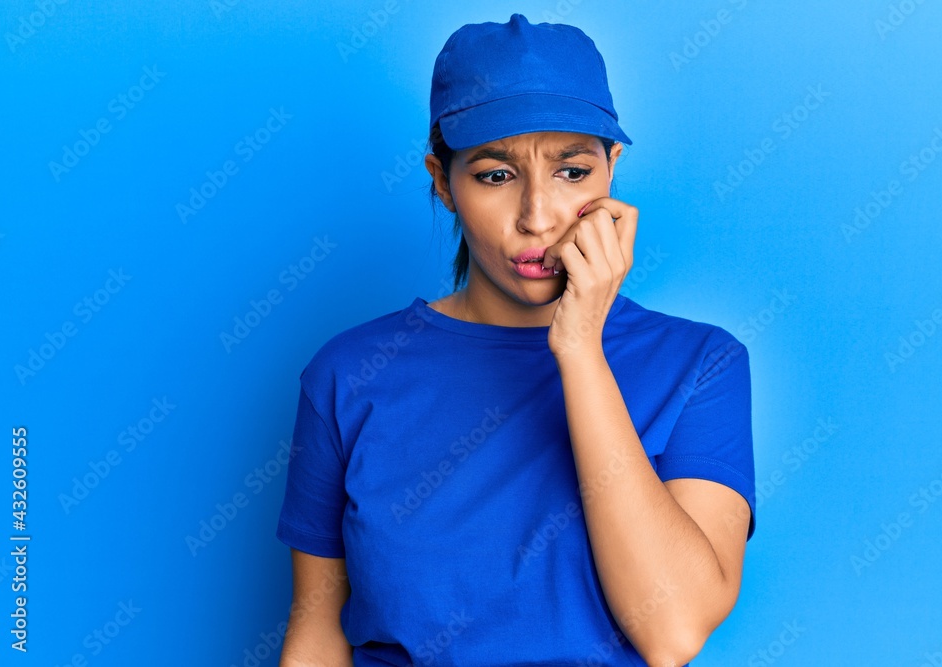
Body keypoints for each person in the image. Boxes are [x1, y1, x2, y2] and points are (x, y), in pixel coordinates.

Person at [276, 13, 756, 667]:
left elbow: (671, 630)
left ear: (611, 168)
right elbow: (317, 635)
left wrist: (581, 346)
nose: (537, 216)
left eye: (571, 171)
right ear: (442, 181)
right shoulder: (348, 374)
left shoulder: (700, 365)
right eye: (495, 175)